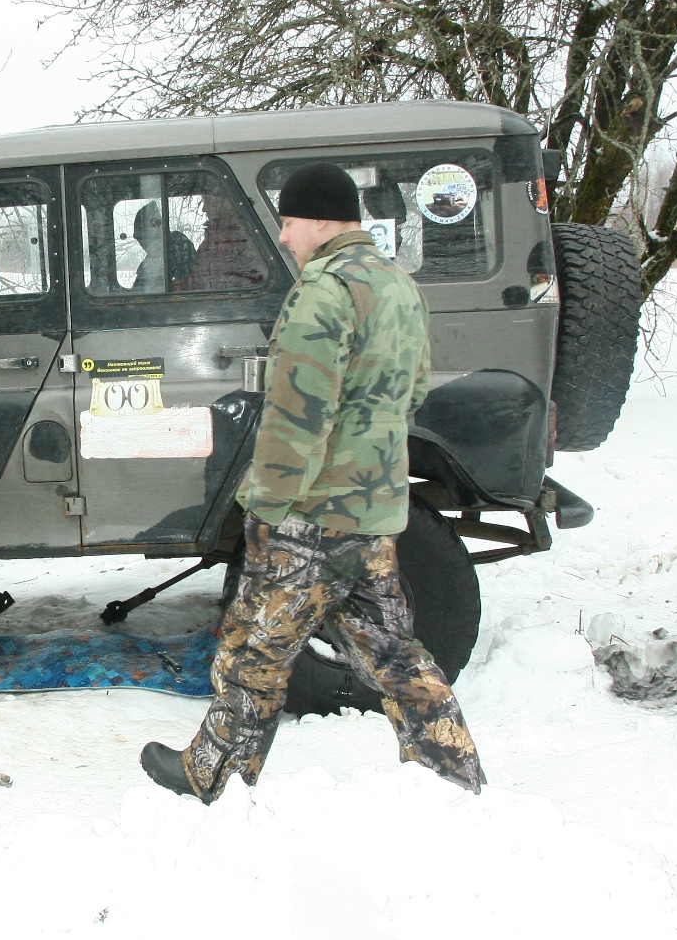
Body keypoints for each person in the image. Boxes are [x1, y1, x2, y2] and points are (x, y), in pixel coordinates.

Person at [140, 162, 486, 800]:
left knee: (254, 649)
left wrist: (267, 509)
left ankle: (212, 776)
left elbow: (296, 417)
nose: (284, 236)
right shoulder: (398, 286)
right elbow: (412, 392)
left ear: (322, 220)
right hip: (373, 510)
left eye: (290, 222)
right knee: (394, 654)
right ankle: (452, 775)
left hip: (311, 515)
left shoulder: (323, 292)